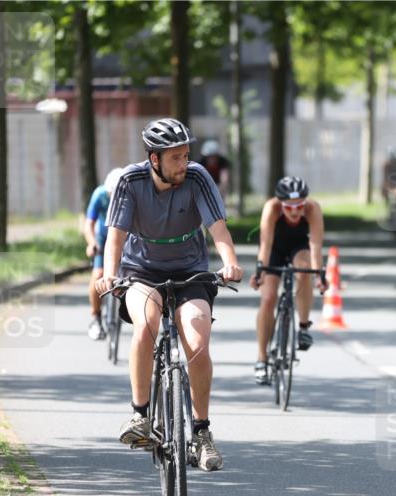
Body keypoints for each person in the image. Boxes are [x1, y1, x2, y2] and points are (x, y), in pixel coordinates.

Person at [96, 118, 244, 472]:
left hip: (191, 271)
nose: (184, 163)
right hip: (140, 271)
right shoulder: (131, 182)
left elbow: (218, 229)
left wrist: (230, 263)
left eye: (186, 155)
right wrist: (109, 274)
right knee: (146, 325)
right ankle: (140, 416)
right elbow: (115, 237)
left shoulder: (197, 177)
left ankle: (201, 433)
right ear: (154, 159)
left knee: (197, 339)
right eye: (175, 157)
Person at [249, 176, 326, 385]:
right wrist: (260, 272)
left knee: (304, 269)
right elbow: (264, 246)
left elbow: (316, 248)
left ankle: (302, 327)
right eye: (289, 207)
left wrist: (319, 275)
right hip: (274, 248)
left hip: (298, 247)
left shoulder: (313, 209)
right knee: (268, 298)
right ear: (280, 203)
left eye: (299, 206)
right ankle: (261, 358)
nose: (294, 212)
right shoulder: (271, 208)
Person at [83, 167, 124, 340]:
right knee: (98, 274)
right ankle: (96, 317)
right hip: (103, 238)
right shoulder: (99, 194)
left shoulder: (131, 195)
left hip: (125, 238)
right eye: (110, 194)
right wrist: (91, 243)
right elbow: (89, 223)